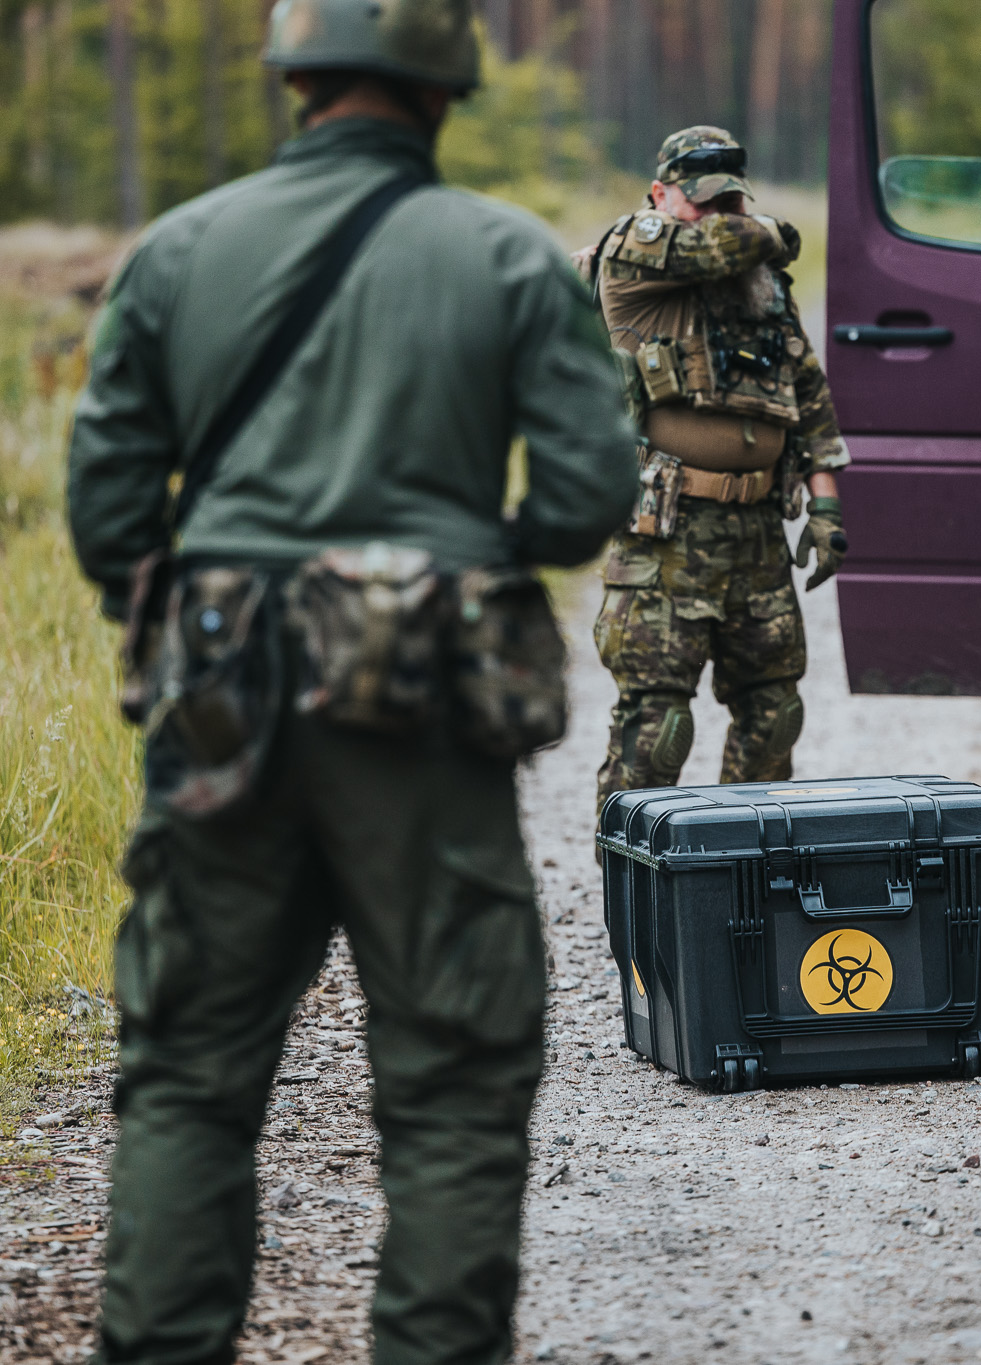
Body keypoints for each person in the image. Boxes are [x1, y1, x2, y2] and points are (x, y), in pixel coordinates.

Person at [63, 0, 637, 1361]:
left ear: (296, 76)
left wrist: (198, 601)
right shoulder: (502, 252)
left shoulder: (179, 247)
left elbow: (105, 507)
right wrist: (468, 565)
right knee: (451, 1080)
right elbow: (589, 486)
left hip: (220, 699)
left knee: (190, 1076)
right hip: (423, 707)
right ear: (445, 89)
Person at [579, 126, 851, 807]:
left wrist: (824, 507)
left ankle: (738, 879)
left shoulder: (763, 288)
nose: (717, 215)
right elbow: (722, 242)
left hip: (757, 530)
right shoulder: (632, 257)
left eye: (730, 200)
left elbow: (809, 395)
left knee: (774, 715)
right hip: (669, 529)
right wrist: (771, 229)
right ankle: (632, 892)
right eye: (699, 200)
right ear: (659, 195)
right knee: (658, 726)